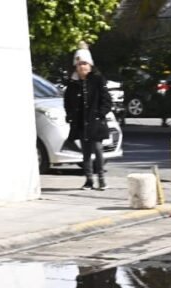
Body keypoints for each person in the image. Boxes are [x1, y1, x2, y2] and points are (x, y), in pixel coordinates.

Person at [64, 42, 112, 190]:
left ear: (90, 65)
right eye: (78, 64)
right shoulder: (73, 83)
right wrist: (71, 115)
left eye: (84, 64)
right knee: (85, 152)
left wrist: (100, 114)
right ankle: (89, 179)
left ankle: (102, 179)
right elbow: (68, 101)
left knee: (97, 149)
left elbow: (106, 100)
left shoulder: (97, 80)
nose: (81, 67)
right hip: (81, 122)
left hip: (95, 121)